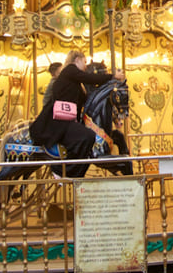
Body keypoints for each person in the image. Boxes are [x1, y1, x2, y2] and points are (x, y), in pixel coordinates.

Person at [28, 50, 125, 179]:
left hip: (69, 119)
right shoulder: (70, 70)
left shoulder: (74, 81)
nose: (85, 66)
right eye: (84, 62)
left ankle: (75, 175)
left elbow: (89, 98)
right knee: (88, 136)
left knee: (88, 140)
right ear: (77, 60)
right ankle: (61, 170)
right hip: (61, 120)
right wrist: (112, 76)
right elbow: (90, 78)